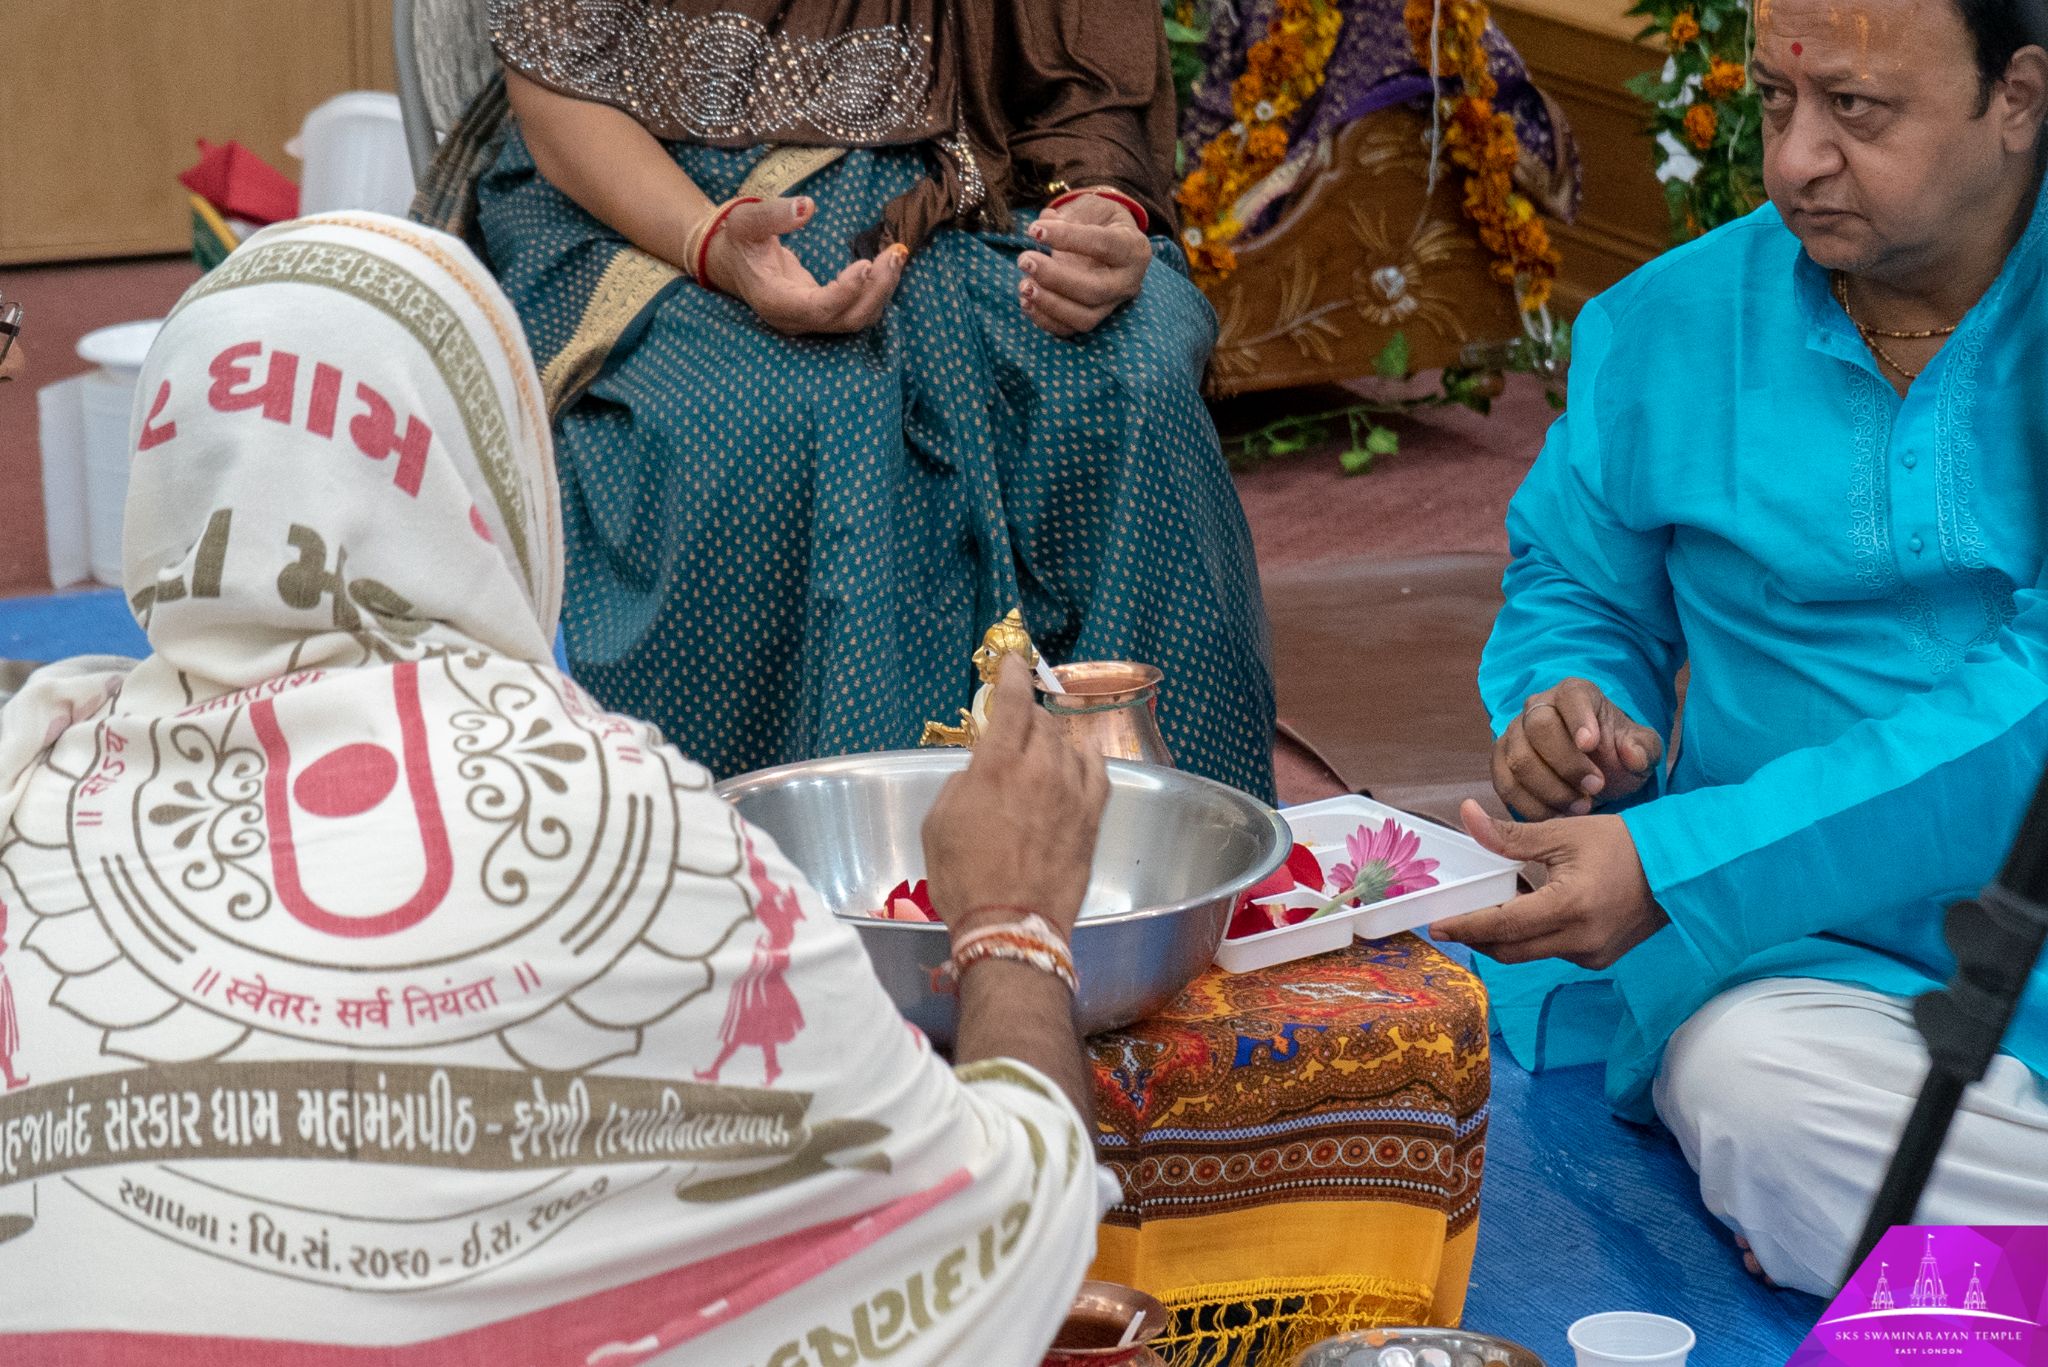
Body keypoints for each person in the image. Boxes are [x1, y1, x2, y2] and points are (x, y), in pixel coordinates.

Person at [0, 214, 1112, 1364]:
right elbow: (1001, 1229)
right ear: (493, 472)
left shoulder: (29, 790)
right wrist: (1011, 920)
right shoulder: (615, 820)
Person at [1432, 0, 2048, 1296]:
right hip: (1812, 962)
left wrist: (1677, 864)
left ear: (2018, 96)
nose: (1795, 159)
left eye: (1855, 109)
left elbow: (2029, 720)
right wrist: (1571, 705)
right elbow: (1576, 583)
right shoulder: (1671, 325)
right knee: (1765, 1098)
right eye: (1773, 100)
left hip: (1914, 912)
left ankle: (1943, 1273)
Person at [465, 0, 1277, 799]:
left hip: (988, 169)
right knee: (776, 420)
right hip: (670, 194)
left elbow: (1086, 70)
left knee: (1133, 380)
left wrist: (1096, 210)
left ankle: (1161, 844)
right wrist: (708, 243)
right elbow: (557, 81)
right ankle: (782, 859)